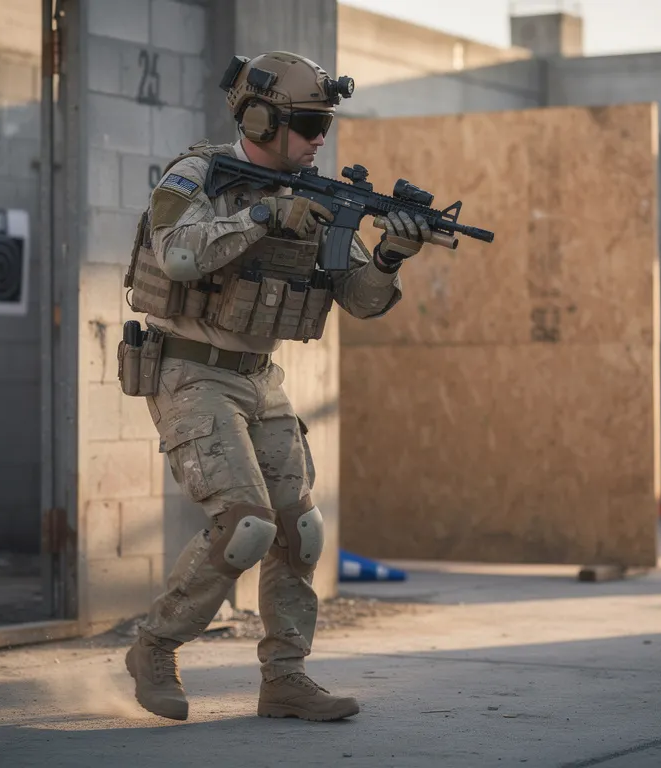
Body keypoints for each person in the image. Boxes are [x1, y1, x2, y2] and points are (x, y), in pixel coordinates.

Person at [118, 50, 431, 722]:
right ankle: (155, 646)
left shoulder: (314, 194)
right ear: (260, 120)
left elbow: (362, 298)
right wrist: (262, 218)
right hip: (190, 368)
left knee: (301, 528)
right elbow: (177, 252)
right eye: (310, 122)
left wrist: (387, 257)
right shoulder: (197, 174)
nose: (322, 137)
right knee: (247, 526)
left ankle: (284, 677)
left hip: (260, 378)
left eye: (325, 124)